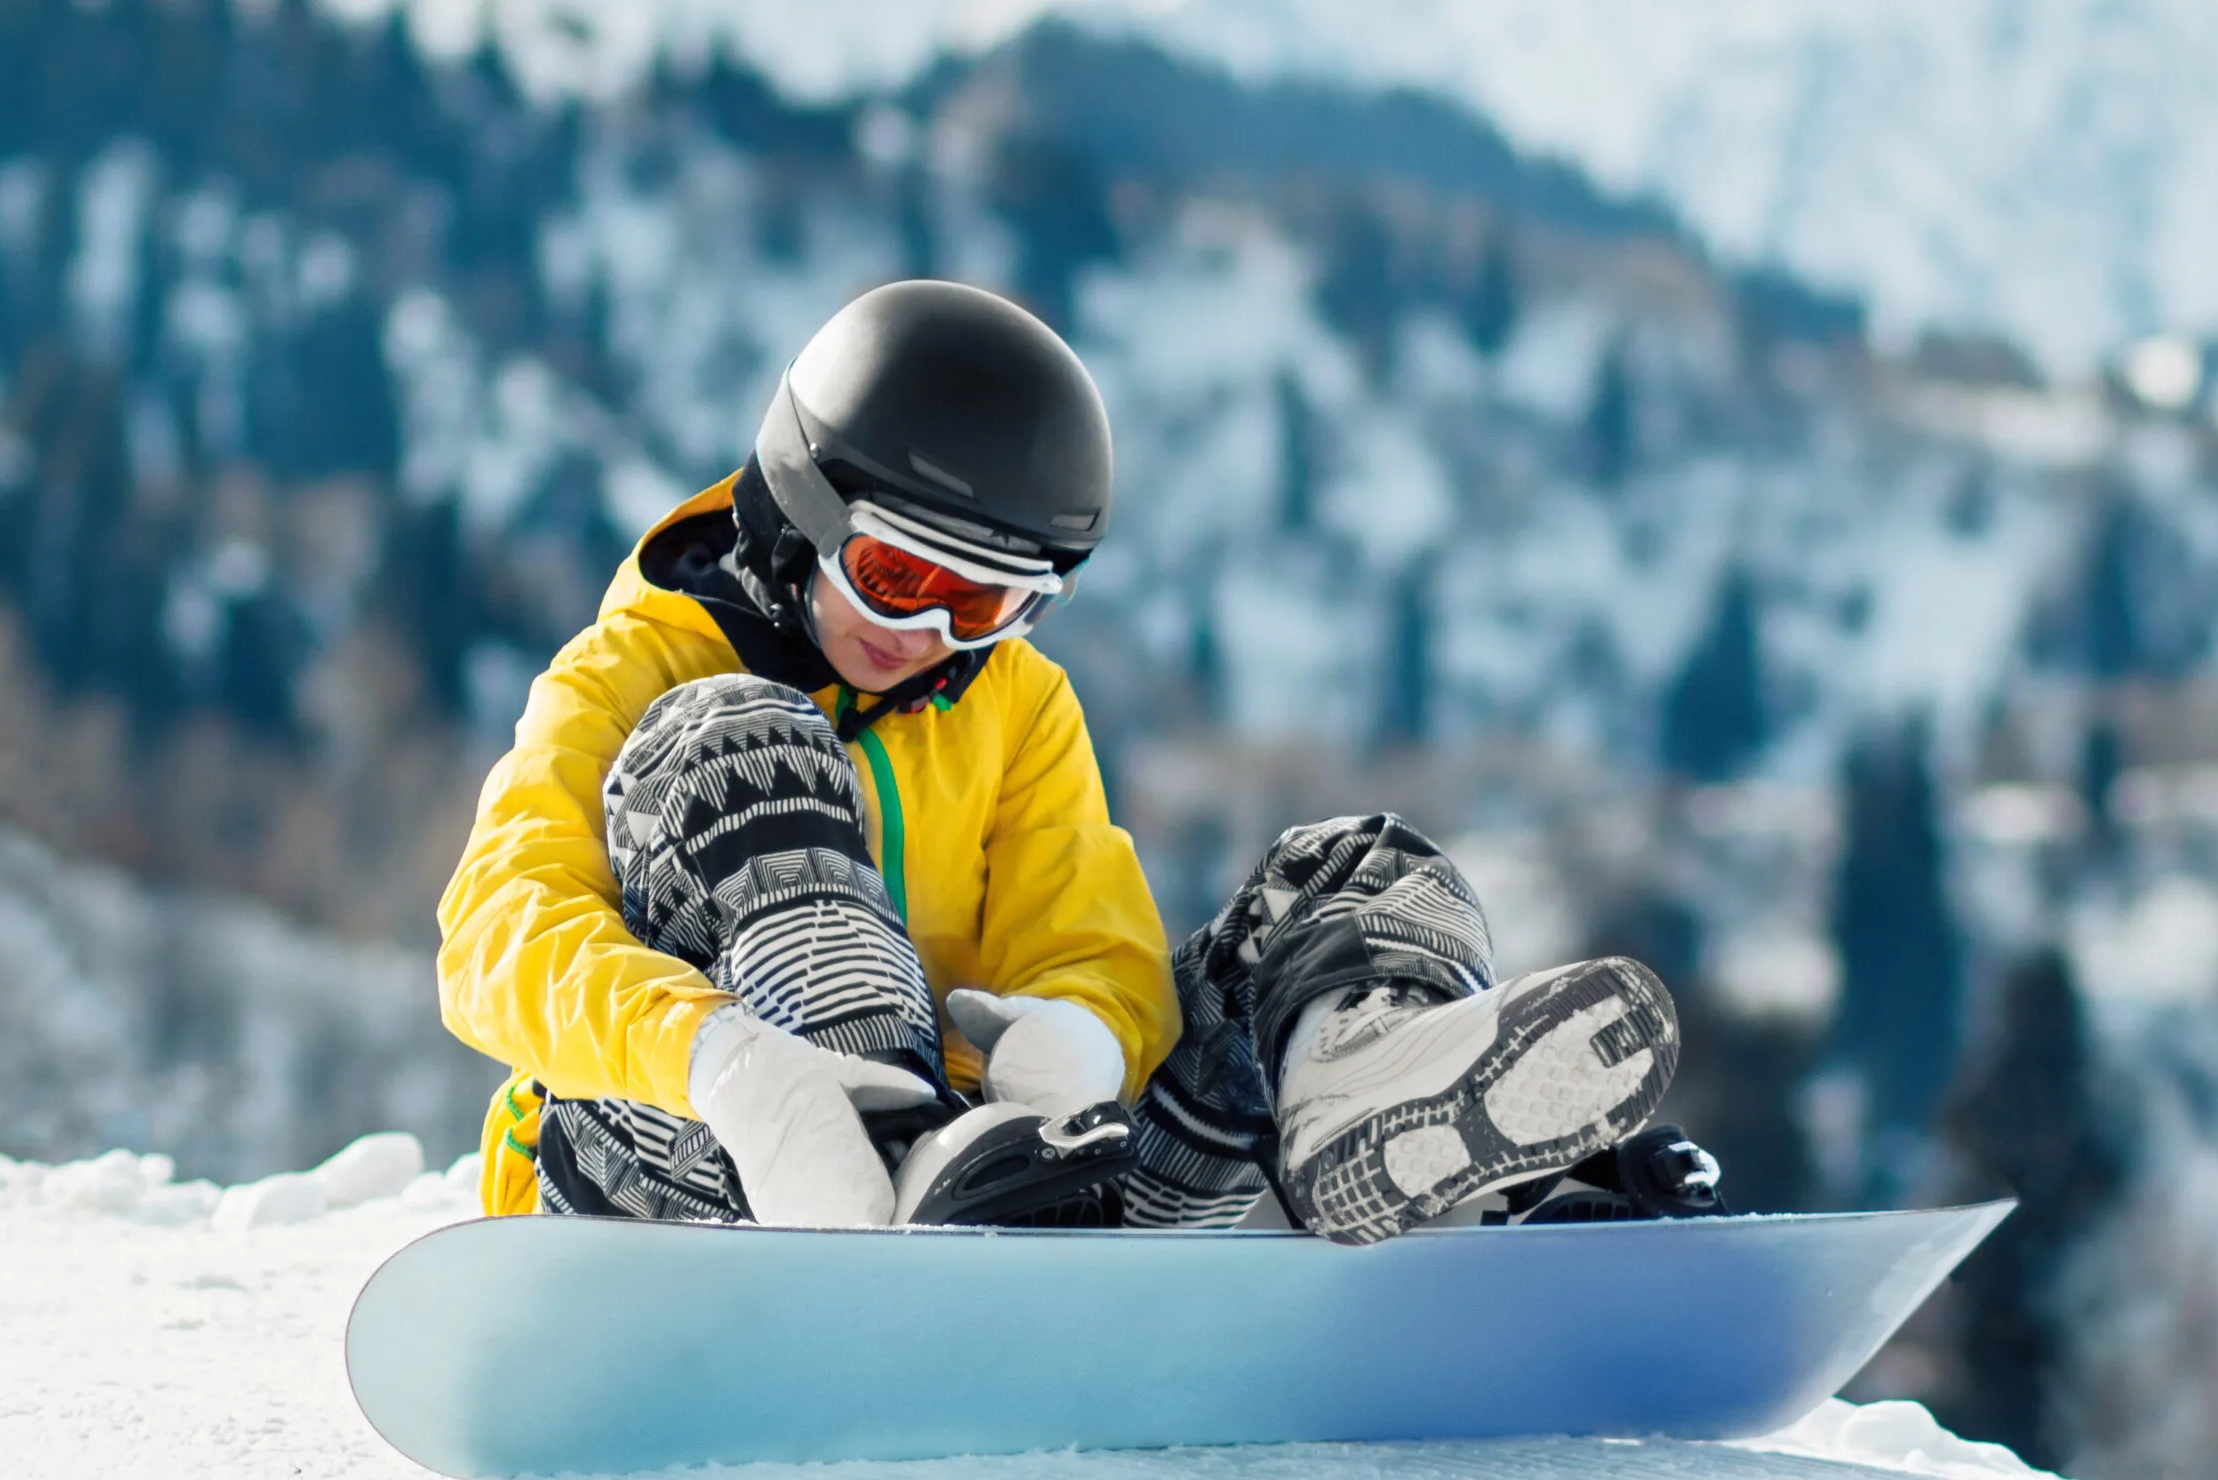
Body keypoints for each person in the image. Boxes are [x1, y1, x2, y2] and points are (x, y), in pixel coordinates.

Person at [436, 279, 1693, 1244]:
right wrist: (727, 1062)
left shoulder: (1016, 705)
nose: (920, 631)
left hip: (1017, 1191)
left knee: (1341, 881)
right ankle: (890, 1158)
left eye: (980, 605)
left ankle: (1379, 1130)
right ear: (801, 507)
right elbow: (498, 930)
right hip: (699, 1175)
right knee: (738, 742)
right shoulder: (627, 671)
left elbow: (1091, 938)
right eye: (892, 573)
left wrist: (1080, 1040)